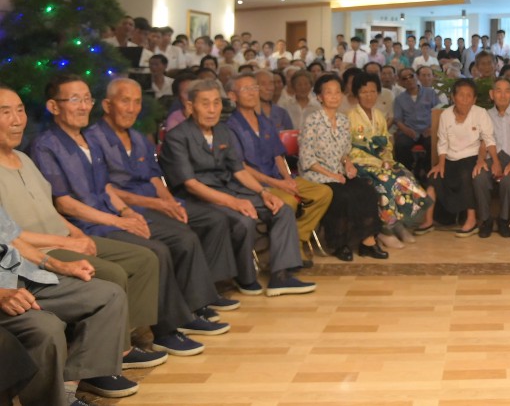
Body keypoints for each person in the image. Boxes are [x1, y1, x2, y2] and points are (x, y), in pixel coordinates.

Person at [32, 75, 230, 352]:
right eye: (74, 99)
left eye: (86, 98)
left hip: (111, 217)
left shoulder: (86, 141)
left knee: (178, 237)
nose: (83, 106)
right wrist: (119, 219)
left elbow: (104, 188)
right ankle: (163, 330)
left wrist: (127, 212)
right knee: (157, 251)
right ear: (54, 107)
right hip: (86, 225)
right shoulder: (47, 145)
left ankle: (184, 314)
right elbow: (64, 204)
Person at [0, 85, 168, 363]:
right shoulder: (44, 146)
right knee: (111, 274)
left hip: (62, 236)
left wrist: (77, 232)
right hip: (39, 249)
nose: (17, 119)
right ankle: (113, 354)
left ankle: (131, 335)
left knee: (145, 257)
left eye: (20, 110)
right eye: (6, 112)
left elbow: (51, 208)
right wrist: (69, 241)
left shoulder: (25, 159)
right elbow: (11, 237)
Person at [88, 78, 240, 315]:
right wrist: (156, 204)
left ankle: (209, 288)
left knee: (213, 218)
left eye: (137, 102)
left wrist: (169, 202)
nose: (131, 108)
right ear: (107, 105)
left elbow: (154, 177)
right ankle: (195, 303)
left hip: (154, 202)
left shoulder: (139, 138)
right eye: (125, 101)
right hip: (128, 208)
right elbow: (105, 189)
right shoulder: (94, 139)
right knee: (184, 236)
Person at [159, 79, 316, 297]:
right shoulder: (177, 137)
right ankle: (245, 277)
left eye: (216, 103)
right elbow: (190, 184)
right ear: (190, 106)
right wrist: (234, 203)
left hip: (231, 189)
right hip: (199, 197)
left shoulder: (223, 132)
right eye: (205, 104)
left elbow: (238, 170)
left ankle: (281, 276)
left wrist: (263, 192)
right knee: (244, 219)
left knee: (282, 209)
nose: (212, 109)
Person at [1, 207, 134, 405]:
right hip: (4, 291)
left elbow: (11, 238)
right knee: (46, 328)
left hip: (21, 274)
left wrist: (57, 265)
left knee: (109, 295)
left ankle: (69, 388)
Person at [226, 73, 333, 268]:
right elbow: (241, 167)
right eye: (246, 89)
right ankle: (285, 254)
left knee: (323, 192)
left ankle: (298, 238)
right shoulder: (230, 127)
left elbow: (278, 155)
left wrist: (287, 178)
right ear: (232, 96)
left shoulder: (264, 121)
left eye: (254, 88)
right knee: (289, 201)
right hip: (256, 186)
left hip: (278, 178)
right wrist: (279, 184)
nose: (252, 93)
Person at [298, 75, 386, 261]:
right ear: (320, 97)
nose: (334, 96)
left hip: (339, 172)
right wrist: (331, 175)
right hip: (317, 174)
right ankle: (340, 244)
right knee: (341, 195)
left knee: (367, 190)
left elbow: (345, 151)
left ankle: (368, 242)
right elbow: (307, 159)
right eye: (328, 92)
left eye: (337, 92)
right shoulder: (312, 120)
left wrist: (348, 163)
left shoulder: (344, 121)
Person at [348, 72, 429, 245]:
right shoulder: (350, 117)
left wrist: (386, 159)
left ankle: (398, 224)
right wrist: (374, 158)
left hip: (381, 162)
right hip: (360, 163)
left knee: (404, 176)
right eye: (364, 92)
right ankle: (385, 229)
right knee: (386, 181)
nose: (369, 96)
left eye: (372, 91)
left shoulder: (379, 116)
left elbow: (386, 142)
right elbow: (347, 147)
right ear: (356, 94)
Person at [424, 79, 498, 237]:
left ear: (474, 99)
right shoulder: (445, 115)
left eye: (469, 95)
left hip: (471, 156)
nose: (465, 99)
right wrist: (441, 164)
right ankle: (428, 220)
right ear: (453, 97)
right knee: (434, 177)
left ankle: (471, 220)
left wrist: (492, 161)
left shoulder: (480, 113)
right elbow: (442, 142)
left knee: (466, 175)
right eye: (461, 95)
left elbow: (488, 139)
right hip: (450, 158)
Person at [479, 77, 510, 238]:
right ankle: (486, 220)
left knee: (509, 181)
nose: (502, 95)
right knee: (479, 176)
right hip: (493, 156)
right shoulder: (485, 114)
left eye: (507, 91)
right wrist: (482, 161)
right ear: (491, 94)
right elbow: (484, 143)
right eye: (498, 91)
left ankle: (503, 219)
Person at [392, 67, 437, 172]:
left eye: (411, 76)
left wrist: (432, 128)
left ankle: (426, 171)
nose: (408, 80)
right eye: (404, 78)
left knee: (433, 144)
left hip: (428, 130)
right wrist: (406, 130)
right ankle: (407, 172)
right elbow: (397, 119)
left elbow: (437, 112)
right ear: (401, 82)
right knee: (400, 144)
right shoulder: (399, 99)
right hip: (409, 131)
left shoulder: (430, 93)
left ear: (416, 76)